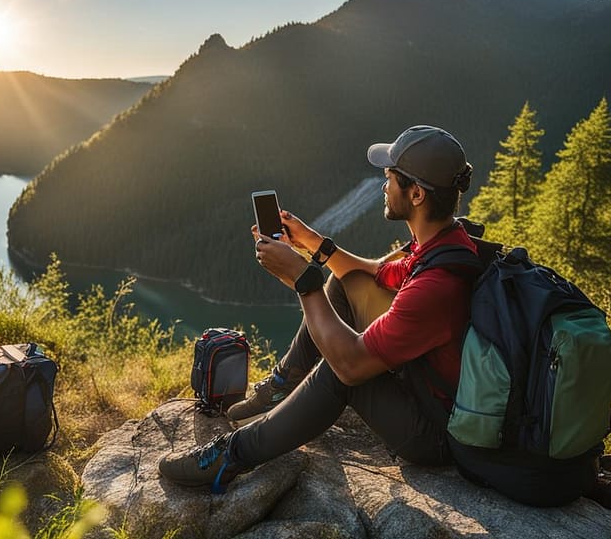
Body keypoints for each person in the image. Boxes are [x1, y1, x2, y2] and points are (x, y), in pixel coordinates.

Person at [159, 124, 478, 492]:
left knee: (340, 372)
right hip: (426, 388)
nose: (384, 185)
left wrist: (303, 280)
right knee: (345, 284)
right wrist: (310, 242)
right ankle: (284, 384)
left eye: (390, 177)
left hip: (436, 433)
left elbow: (351, 364)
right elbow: (371, 275)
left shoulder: (438, 284)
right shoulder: (443, 244)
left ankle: (229, 457)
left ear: (417, 194)